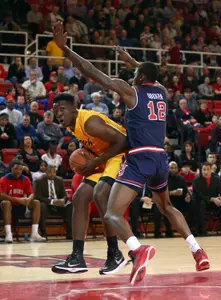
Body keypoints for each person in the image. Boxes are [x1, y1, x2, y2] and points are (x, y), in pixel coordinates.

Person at [52, 23, 210, 286]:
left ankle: (136, 250)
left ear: (137, 78)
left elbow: (92, 72)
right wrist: (135, 62)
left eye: (134, 72)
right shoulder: (161, 91)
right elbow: (151, 74)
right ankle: (197, 250)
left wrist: (66, 49)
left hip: (139, 157)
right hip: (161, 157)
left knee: (112, 213)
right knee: (166, 206)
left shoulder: (131, 91)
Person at [51, 93, 127, 275]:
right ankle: (77, 257)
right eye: (55, 112)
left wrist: (95, 161)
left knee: (100, 194)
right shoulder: (72, 127)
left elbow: (124, 141)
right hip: (103, 159)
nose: (58, 115)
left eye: (62, 110)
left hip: (122, 156)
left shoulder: (89, 122)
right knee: (79, 198)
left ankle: (115, 253)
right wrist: (88, 157)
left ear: (73, 107)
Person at [0, 160, 46, 243]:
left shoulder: (25, 179)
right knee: (6, 202)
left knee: (36, 202)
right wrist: (17, 199)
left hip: (21, 207)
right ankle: (8, 234)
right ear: (11, 169)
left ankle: (34, 233)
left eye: (20, 169)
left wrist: (28, 199)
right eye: (16, 169)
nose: (18, 171)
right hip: (7, 208)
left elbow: (31, 193)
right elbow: (1, 195)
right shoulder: (4, 179)